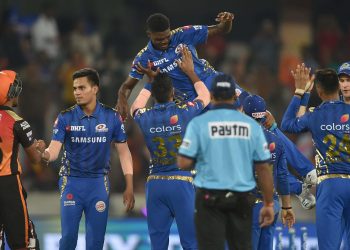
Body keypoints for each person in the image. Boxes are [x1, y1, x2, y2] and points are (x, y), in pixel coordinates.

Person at [36, 68, 135, 250]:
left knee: (95, 242)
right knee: (68, 239)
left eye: (82, 88)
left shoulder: (112, 117)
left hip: (98, 184)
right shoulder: (65, 117)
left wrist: (129, 185)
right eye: (75, 89)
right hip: (71, 182)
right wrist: (43, 153)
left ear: (95, 89)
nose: (76, 93)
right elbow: (54, 152)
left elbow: (124, 152)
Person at [177, 73, 275, 250]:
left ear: (212, 95)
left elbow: (183, 162)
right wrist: (268, 203)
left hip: (209, 198)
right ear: (235, 97)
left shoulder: (198, 124)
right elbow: (263, 168)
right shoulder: (251, 126)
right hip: (242, 198)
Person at [130, 46, 210, 250]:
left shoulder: (145, 116)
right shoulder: (184, 112)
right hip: (182, 183)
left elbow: (134, 108)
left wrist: (148, 82)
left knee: (158, 245)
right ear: (173, 92)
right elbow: (205, 96)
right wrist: (191, 72)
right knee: (191, 243)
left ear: (153, 95)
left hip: (155, 185)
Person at [117, 11, 237, 119]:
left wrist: (227, 21)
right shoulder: (143, 58)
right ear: (149, 34)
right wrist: (122, 99)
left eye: (167, 37)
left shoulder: (183, 34)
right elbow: (127, 86)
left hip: (209, 80)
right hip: (189, 100)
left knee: (248, 106)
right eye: (159, 39)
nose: (164, 41)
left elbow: (220, 29)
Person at [281, 65, 350, 250]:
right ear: (338, 87)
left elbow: (287, 124)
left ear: (318, 91)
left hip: (330, 185)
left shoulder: (314, 115)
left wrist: (300, 93)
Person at [242, 94, 295, 250]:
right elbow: (282, 176)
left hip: (249, 206)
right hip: (272, 205)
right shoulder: (276, 140)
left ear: (243, 113)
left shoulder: (239, 140)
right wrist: (287, 207)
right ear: (265, 114)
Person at [0, 70, 40, 250]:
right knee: (23, 242)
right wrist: (39, 147)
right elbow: (35, 159)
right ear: (10, 92)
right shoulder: (17, 121)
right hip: (8, 184)